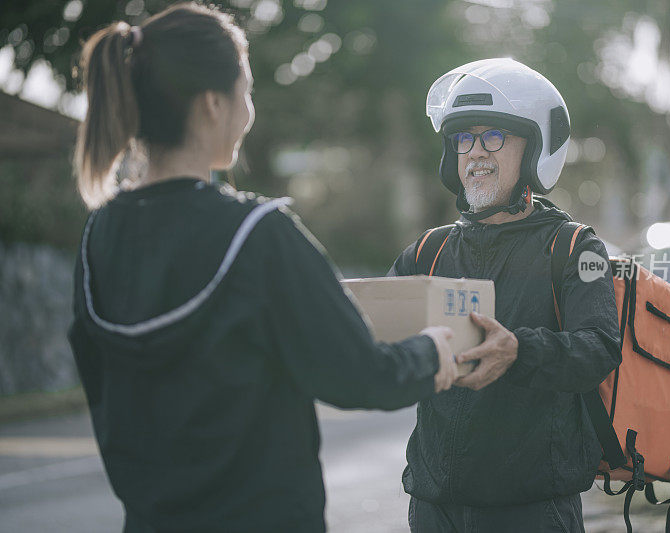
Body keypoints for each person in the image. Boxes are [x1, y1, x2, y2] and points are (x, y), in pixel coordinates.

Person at [67, 4, 460, 532]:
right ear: (211, 104)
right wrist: (436, 348)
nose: (249, 112)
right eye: (244, 92)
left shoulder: (99, 236)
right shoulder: (258, 233)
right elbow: (360, 375)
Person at [388, 58, 623, 532]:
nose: (475, 153)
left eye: (493, 137)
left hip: (532, 509)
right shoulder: (429, 250)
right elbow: (378, 328)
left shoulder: (574, 247)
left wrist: (520, 350)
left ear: (535, 147)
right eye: (463, 139)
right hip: (435, 509)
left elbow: (599, 347)